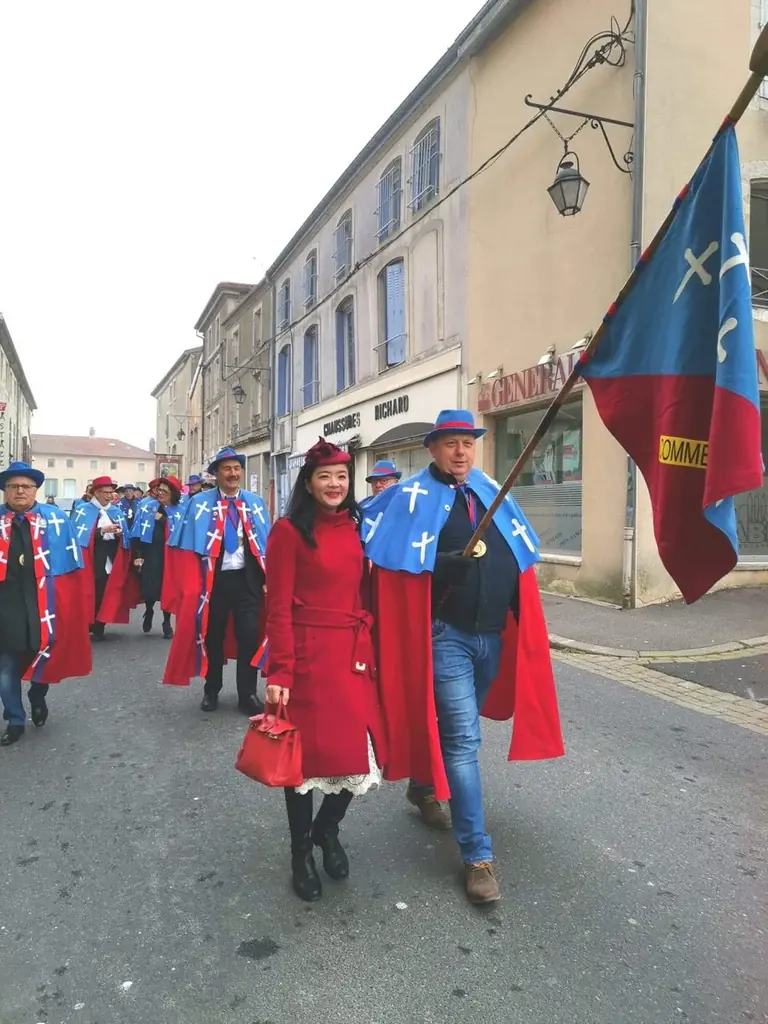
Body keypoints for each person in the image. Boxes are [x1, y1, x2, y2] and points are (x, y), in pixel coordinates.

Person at [365, 409, 564, 905]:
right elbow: (393, 569)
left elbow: (518, 558)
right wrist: (438, 566)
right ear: (433, 448)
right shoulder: (411, 497)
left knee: (460, 726)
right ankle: (477, 856)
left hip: (491, 636)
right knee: (462, 741)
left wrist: (522, 614)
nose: (461, 452)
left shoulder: (492, 490)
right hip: (445, 636)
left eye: (467, 443)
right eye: (451, 443)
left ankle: (421, 786)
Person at [264, 438, 386, 902]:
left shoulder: (360, 527)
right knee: (304, 764)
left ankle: (326, 830)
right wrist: (280, 672)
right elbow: (277, 609)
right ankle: (301, 852)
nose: (335, 484)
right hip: (308, 658)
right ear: (309, 484)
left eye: (342, 476)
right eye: (325, 477)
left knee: (361, 755)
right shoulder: (288, 532)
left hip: (353, 656)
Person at [163, 447, 269, 716]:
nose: (233, 474)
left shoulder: (255, 502)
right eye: (227, 469)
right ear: (216, 474)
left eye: (236, 469)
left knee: (249, 637)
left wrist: (268, 578)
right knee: (213, 638)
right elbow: (185, 548)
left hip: (248, 582)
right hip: (213, 582)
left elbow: (268, 545)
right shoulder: (199, 504)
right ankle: (212, 690)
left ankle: (247, 694)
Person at [0, 461, 91, 746]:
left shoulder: (54, 518)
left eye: (25, 486)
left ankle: (37, 695)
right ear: (5, 491)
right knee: (6, 664)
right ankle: (14, 718)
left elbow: (72, 565)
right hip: (7, 600)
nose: (19, 492)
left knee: (43, 652)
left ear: (35, 490)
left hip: (43, 598)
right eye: (13, 486)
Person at [72, 475, 140, 641]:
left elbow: (126, 537)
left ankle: (100, 623)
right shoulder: (83, 510)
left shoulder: (116, 511)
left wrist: (118, 535)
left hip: (112, 555)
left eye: (111, 492)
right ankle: (91, 620)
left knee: (108, 588)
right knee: (92, 588)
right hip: (92, 555)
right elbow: (76, 535)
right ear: (95, 493)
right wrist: (102, 531)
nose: (109, 496)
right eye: (105, 492)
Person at [131, 476, 185, 639]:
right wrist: (138, 555)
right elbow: (138, 532)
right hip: (151, 553)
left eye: (164, 491)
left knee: (167, 588)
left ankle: (167, 621)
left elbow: (183, 533)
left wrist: (163, 520)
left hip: (171, 556)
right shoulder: (147, 507)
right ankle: (148, 611)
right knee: (150, 588)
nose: (160, 493)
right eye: (158, 490)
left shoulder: (181, 511)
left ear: (173, 493)